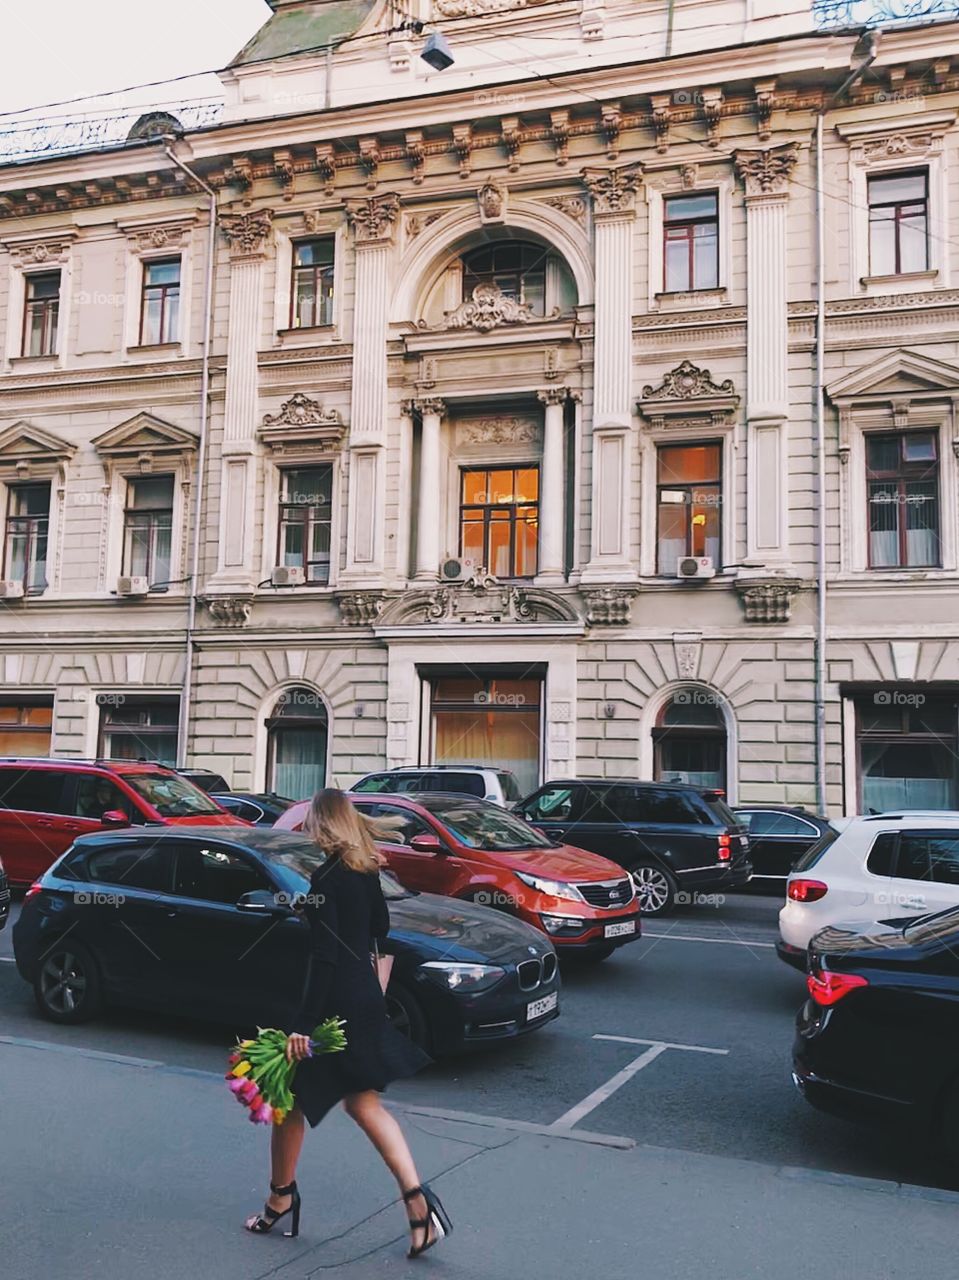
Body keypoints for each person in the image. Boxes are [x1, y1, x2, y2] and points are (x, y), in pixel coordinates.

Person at [244, 788, 451, 1258]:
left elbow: (324, 958)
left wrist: (302, 1025)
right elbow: (379, 930)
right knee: (355, 1105)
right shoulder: (365, 873)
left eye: (311, 821)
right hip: (364, 998)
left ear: (322, 825)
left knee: (291, 1099)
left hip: (334, 1007)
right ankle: (419, 1207)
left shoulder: (325, 881)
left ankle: (281, 1198)